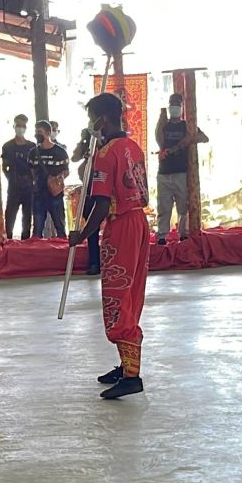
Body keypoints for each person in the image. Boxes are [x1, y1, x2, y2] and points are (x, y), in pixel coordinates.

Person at [69, 91, 150, 399]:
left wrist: (82, 235)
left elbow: (101, 203)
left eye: (92, 120)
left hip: (120, 226)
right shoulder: (131, 146)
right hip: (138, 221)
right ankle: (125, 363)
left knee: (117, 294)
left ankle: (132, 375)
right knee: (130, 292)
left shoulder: (106, 154)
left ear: (101, 119)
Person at [154, 92, 208, 245]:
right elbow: (159, 140)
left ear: (182, 107)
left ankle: (183, 233)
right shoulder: (164, 124)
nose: (174, 108)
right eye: (172, 105)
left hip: (181, 172)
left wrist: (187, 141)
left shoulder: (187, 126)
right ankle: (162, 235)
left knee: (182, 205)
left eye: (177, 105)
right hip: (164, 171)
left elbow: (204, 138)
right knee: (163, 206)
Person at [29, 121, 69, 240]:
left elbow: (66, 171)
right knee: (37, 228)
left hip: (55, 194)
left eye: (39, 132)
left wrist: (56, 181)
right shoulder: (33, 153)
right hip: (39, 194)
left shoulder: (60, 152)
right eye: (36, 132)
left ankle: (64, 253)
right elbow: (31, 171)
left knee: (60, 226)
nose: (37, 135)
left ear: (48, 133)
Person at [71, 127, 102, 274]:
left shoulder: (106, 147)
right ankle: (94, 262)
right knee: (92, 230)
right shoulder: (86, 152)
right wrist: (83, 142)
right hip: (89, 191)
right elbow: (74, 158)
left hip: (104, 190)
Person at [2, 113, 36, 240]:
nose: (20, 128)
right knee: (10, 214)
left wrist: (31, 179)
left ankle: (25, 239)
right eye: (18, 125)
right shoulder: (8, 146)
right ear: (14, 126)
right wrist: (11, 178)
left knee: (27, 215)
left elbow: (35, 167)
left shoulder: (31, 146)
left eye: (23, 126)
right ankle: (8, 238)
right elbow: (4, 166)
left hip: (28, 186)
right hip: (14, 186)